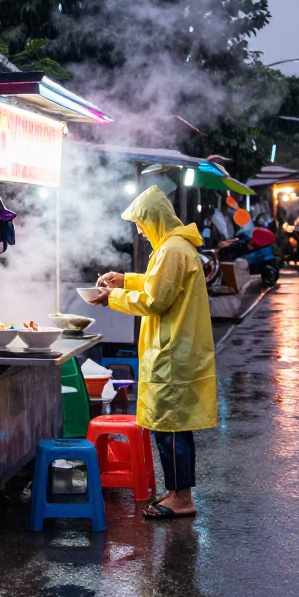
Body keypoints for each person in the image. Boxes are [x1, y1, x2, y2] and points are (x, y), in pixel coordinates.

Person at [89, 185, 217, 519]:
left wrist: (111, 298)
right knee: (171, 426)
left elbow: (154, 300)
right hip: (175, 349)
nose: (139, 230)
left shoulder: (173, 249)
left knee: (171, 428)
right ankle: (176, 492)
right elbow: (156, 284)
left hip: (174, 352)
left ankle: (182, 498)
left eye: (141, 223)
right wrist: (125, 280)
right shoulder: (172, 247)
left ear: (154, 219)